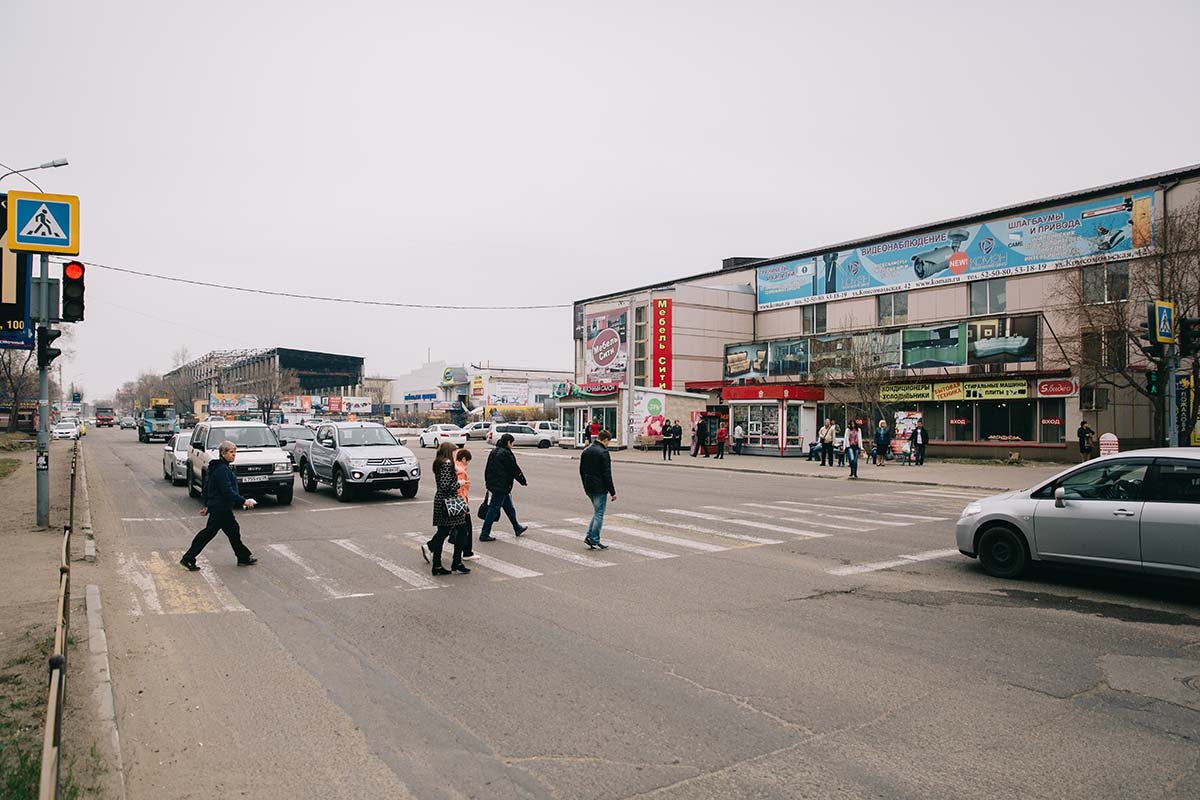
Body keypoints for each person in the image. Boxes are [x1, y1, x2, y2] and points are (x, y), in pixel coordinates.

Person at [181, 440, 257, 570]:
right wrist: (243, 501)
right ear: (223, 453)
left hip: (219, 507)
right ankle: (188, 558)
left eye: (235, 452)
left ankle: (243, 557)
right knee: (209, 534)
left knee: (232, 532)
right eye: (231, 452)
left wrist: (207, 506)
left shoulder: (221, 468)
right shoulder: (222, 469)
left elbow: (209, 487)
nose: (234, 455)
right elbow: (226, 491)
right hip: (221, 508)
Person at [422, 443, 469, 575]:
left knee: (443, 533)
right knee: (461, 531)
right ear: (449, 452)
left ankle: (438, 565)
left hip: (442, 501)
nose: (455, 454)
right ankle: (455, 563)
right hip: (448, 502)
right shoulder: (447, 463)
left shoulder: (439, 462)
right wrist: (459, 483)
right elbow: (445, 486)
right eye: (454, 452)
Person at [479, 433, 528, 541]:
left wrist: (488, 482)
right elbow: (514, 469)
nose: (513, 445)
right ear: (508, 442)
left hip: (495, 484)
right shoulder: (506, 453)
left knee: (509, 508)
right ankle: (484, 533)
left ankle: (517, 527)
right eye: (512, 443)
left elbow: (488, 468)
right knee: (493, 509)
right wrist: (522, 480)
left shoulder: (494, 451)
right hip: (501, 485)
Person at [579, 429, 617, 549]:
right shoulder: (603, 452)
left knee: (597, 513)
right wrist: (613, 492)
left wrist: (584, 484)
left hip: (588, 486)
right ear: (605, 440)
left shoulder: (586, 450)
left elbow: (581, 470)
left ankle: (590, 536)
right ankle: (594, 538)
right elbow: (607, 474)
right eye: (608, 442)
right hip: (599, 488)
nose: (608, 445)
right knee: (599, 514)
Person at [454, 448, 476, 559]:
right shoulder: (461, 471)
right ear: (463, 459)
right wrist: (464, 505)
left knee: (449, 528)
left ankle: (431, 546)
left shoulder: (455, 466)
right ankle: (467, 552)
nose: (468, 463)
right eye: (467, 461)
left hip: (457, 502)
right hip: (460, 502)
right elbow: (460, 490)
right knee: (465, 528)